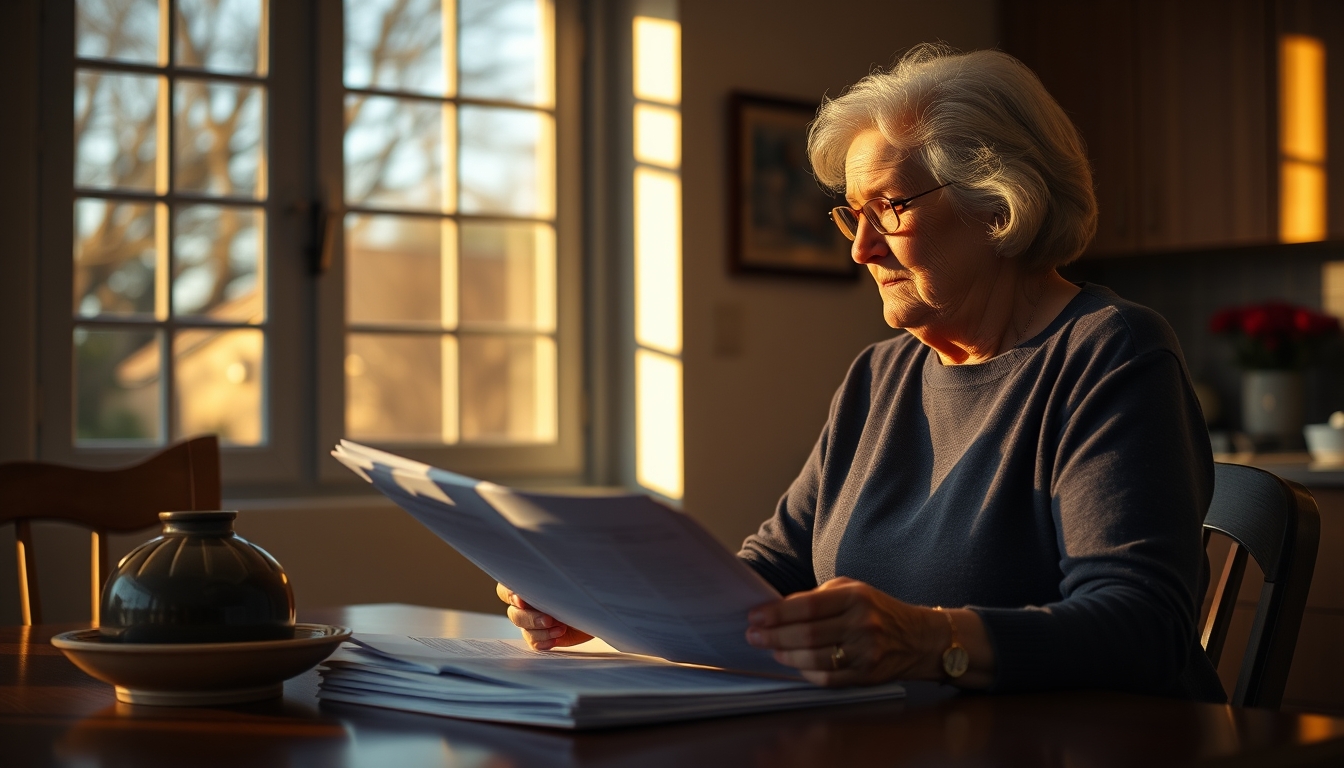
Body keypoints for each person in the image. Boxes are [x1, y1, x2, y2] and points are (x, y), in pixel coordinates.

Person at [499, 44, 1225, 701]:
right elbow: (776, 571)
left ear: (1000, 203)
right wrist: (609, 603)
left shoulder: (1110, 350)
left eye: (891, 208)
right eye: (854, 214)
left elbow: (1144, 626)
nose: (862, 249)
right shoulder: (880, 375)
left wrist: (929, 640)